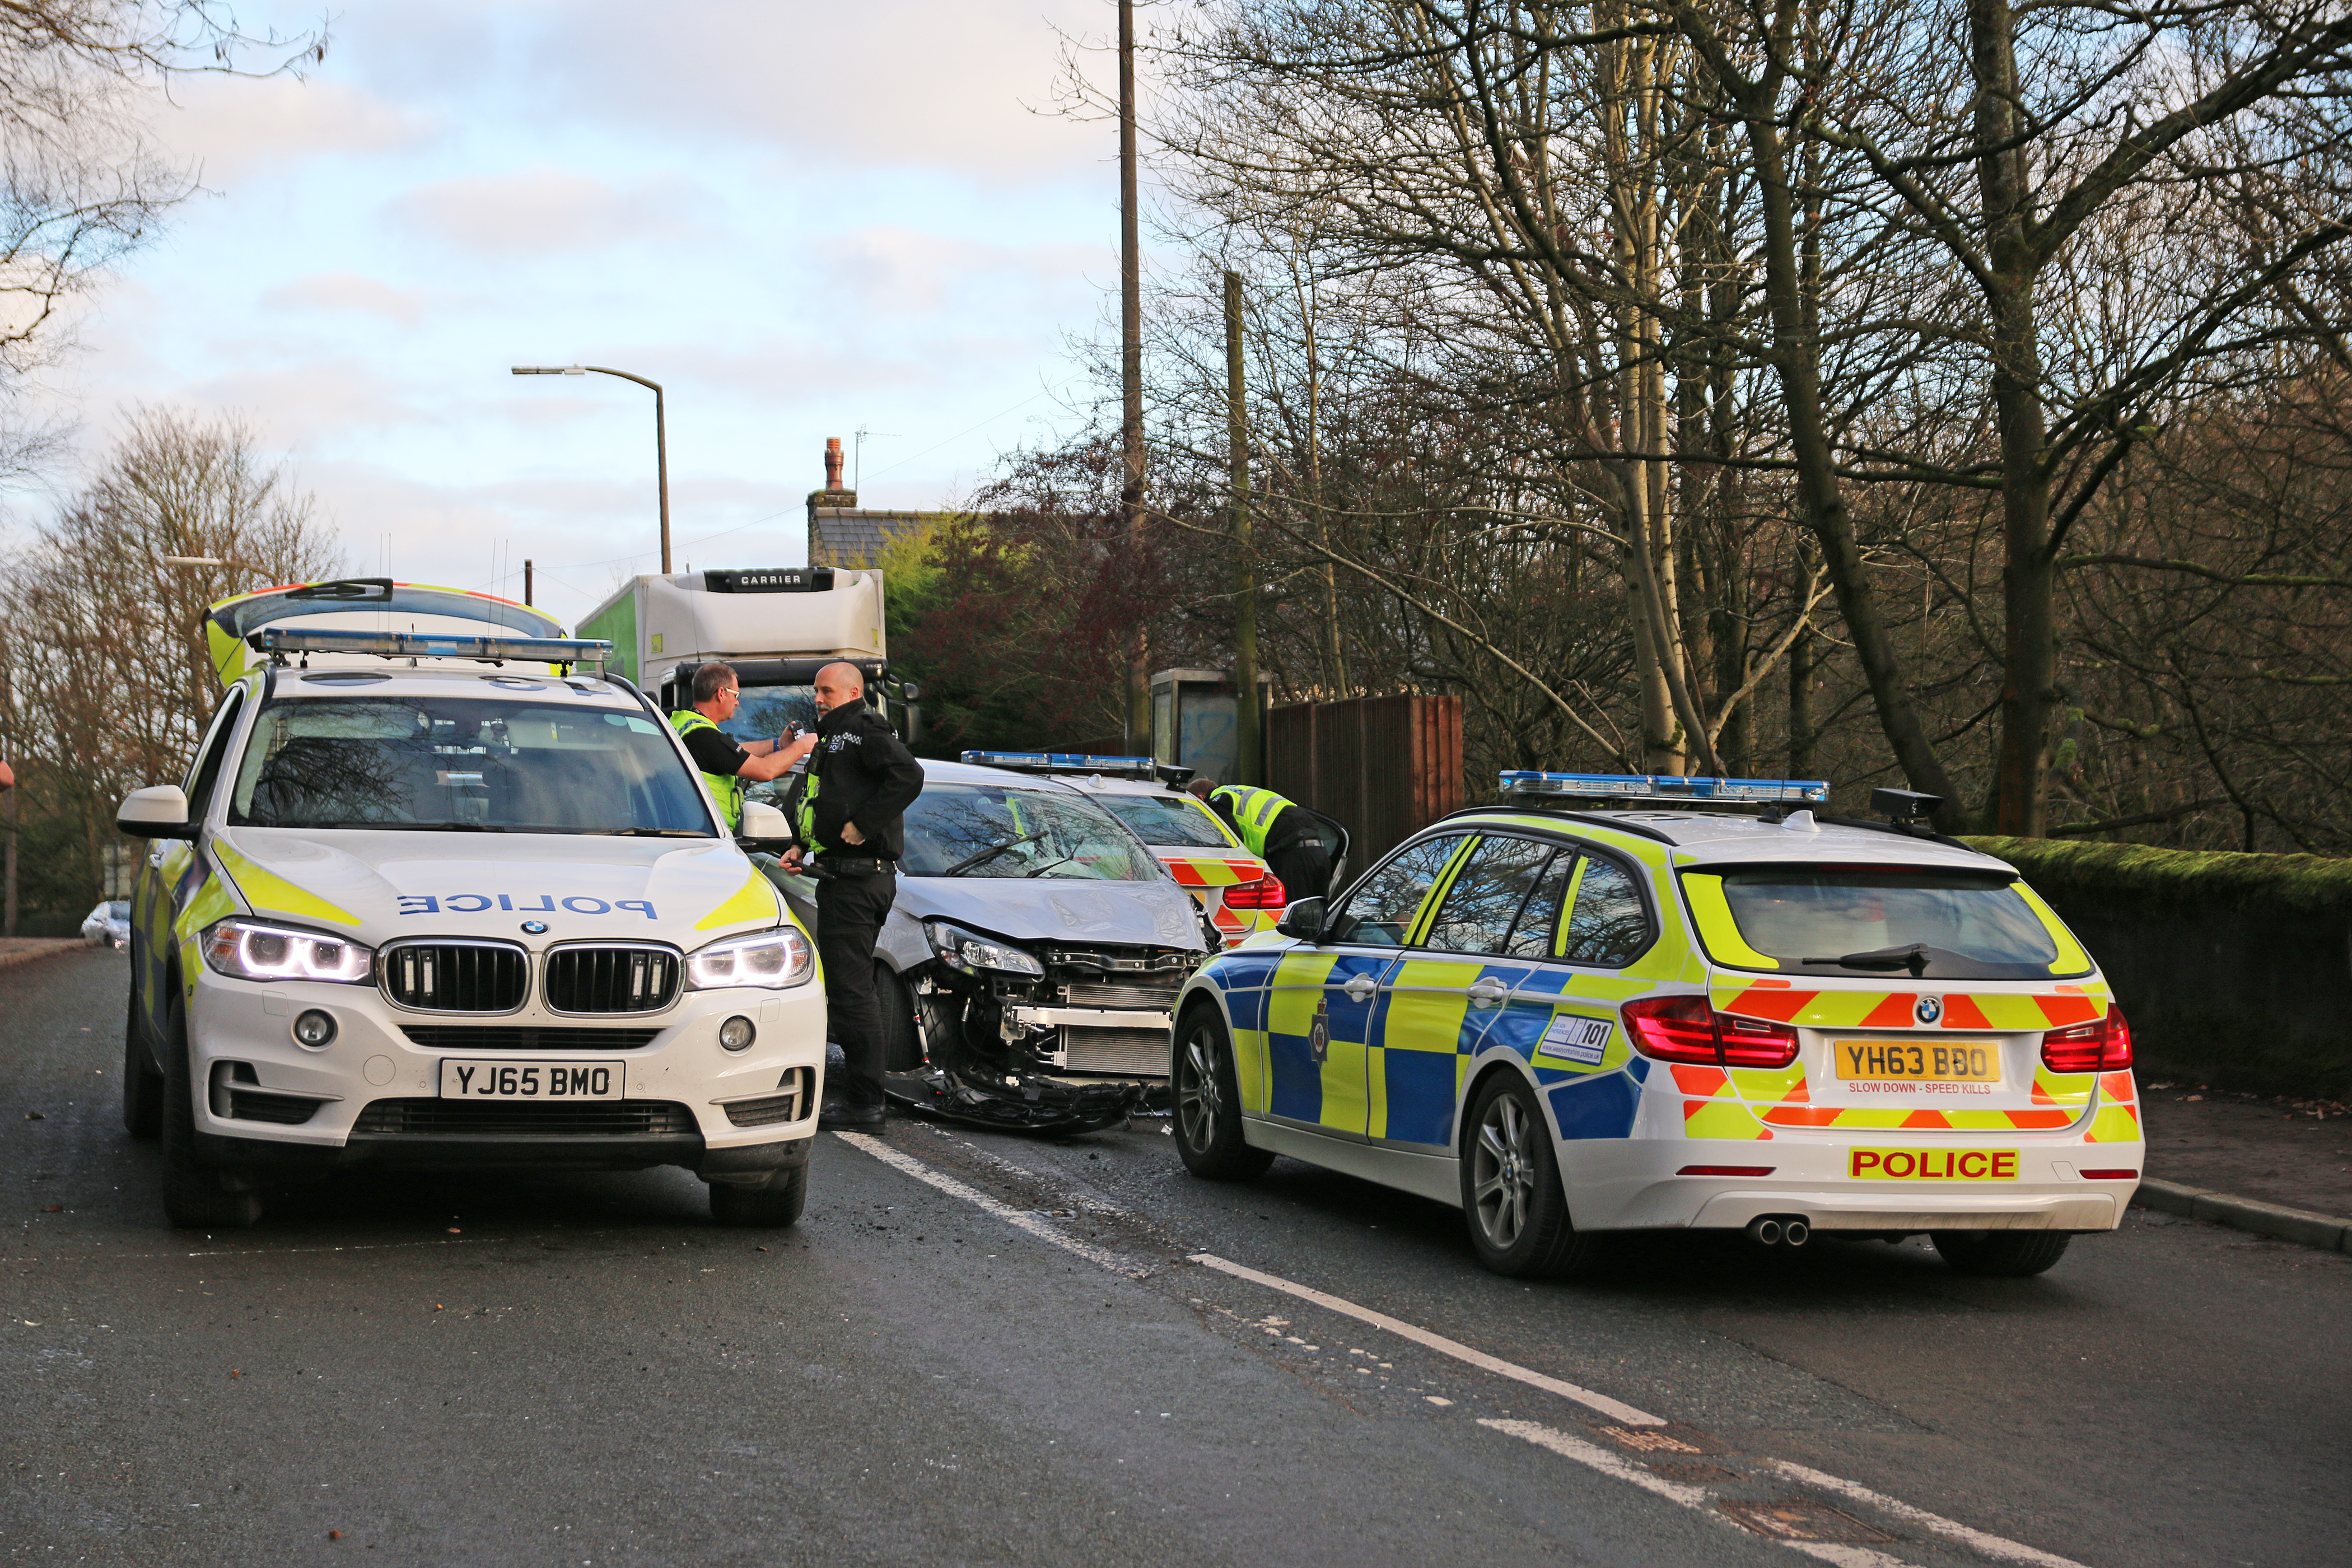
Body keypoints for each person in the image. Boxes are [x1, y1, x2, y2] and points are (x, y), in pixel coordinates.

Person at [773, 661, 924, 1133]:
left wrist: (864, 825)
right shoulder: (836, 735)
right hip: (843, 877)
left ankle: (865, 1105)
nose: (818, 699)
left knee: (853, 994)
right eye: (816, 691)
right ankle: (864, 1100)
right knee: (848, 990)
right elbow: (821, 799)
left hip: (859, 882)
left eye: (827, 691)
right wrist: (802, 843)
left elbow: (908, 775)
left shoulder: (862, 729)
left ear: (853, 691)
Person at [668, 663, 802, 832]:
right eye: (736, 695)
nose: (737, 703)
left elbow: (733, 751)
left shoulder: (686, 724)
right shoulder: (704, 736)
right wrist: (802, 746)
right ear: (721, 693)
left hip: (691, 829)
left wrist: (778, 744)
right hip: (706, 835)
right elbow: (765, 771)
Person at [1189, 777, 1332, 908]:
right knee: (1317, 917)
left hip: (1293, 857)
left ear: (1200, 799)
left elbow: (1232, 840)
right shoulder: (1238, 791)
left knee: (1293, 922)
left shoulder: (1217, 802)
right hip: (1318, 851)